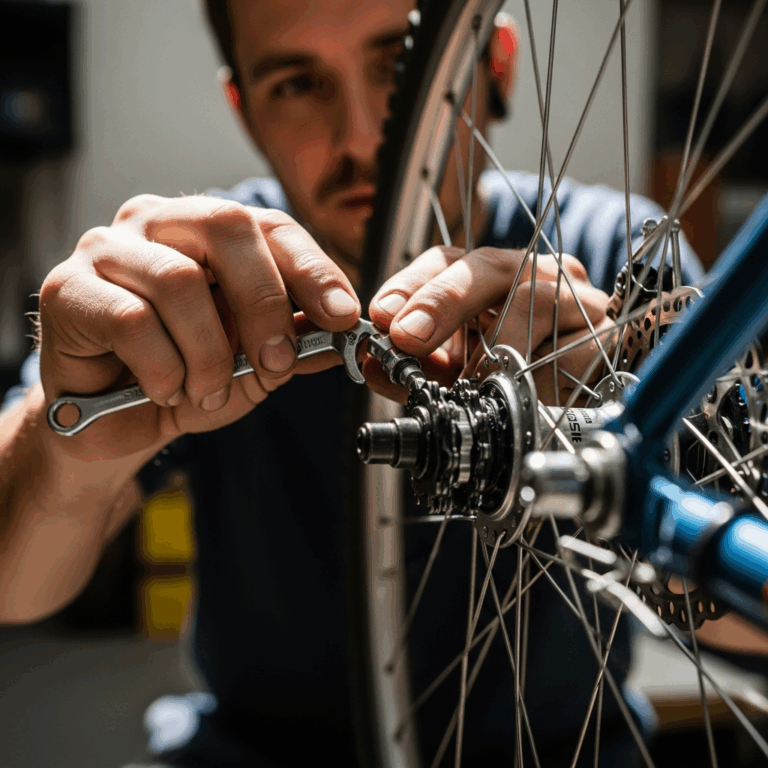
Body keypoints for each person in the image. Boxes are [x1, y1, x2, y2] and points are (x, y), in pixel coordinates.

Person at [0, 1, 706, 765]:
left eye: (401, 66)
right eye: (298, 84)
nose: (366, 138)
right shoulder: (201, 280)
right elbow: (13, 587)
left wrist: (644, 453)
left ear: (496, 66)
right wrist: (64, 448)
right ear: (245, 110)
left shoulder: (616, 258)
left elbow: (747, 621)